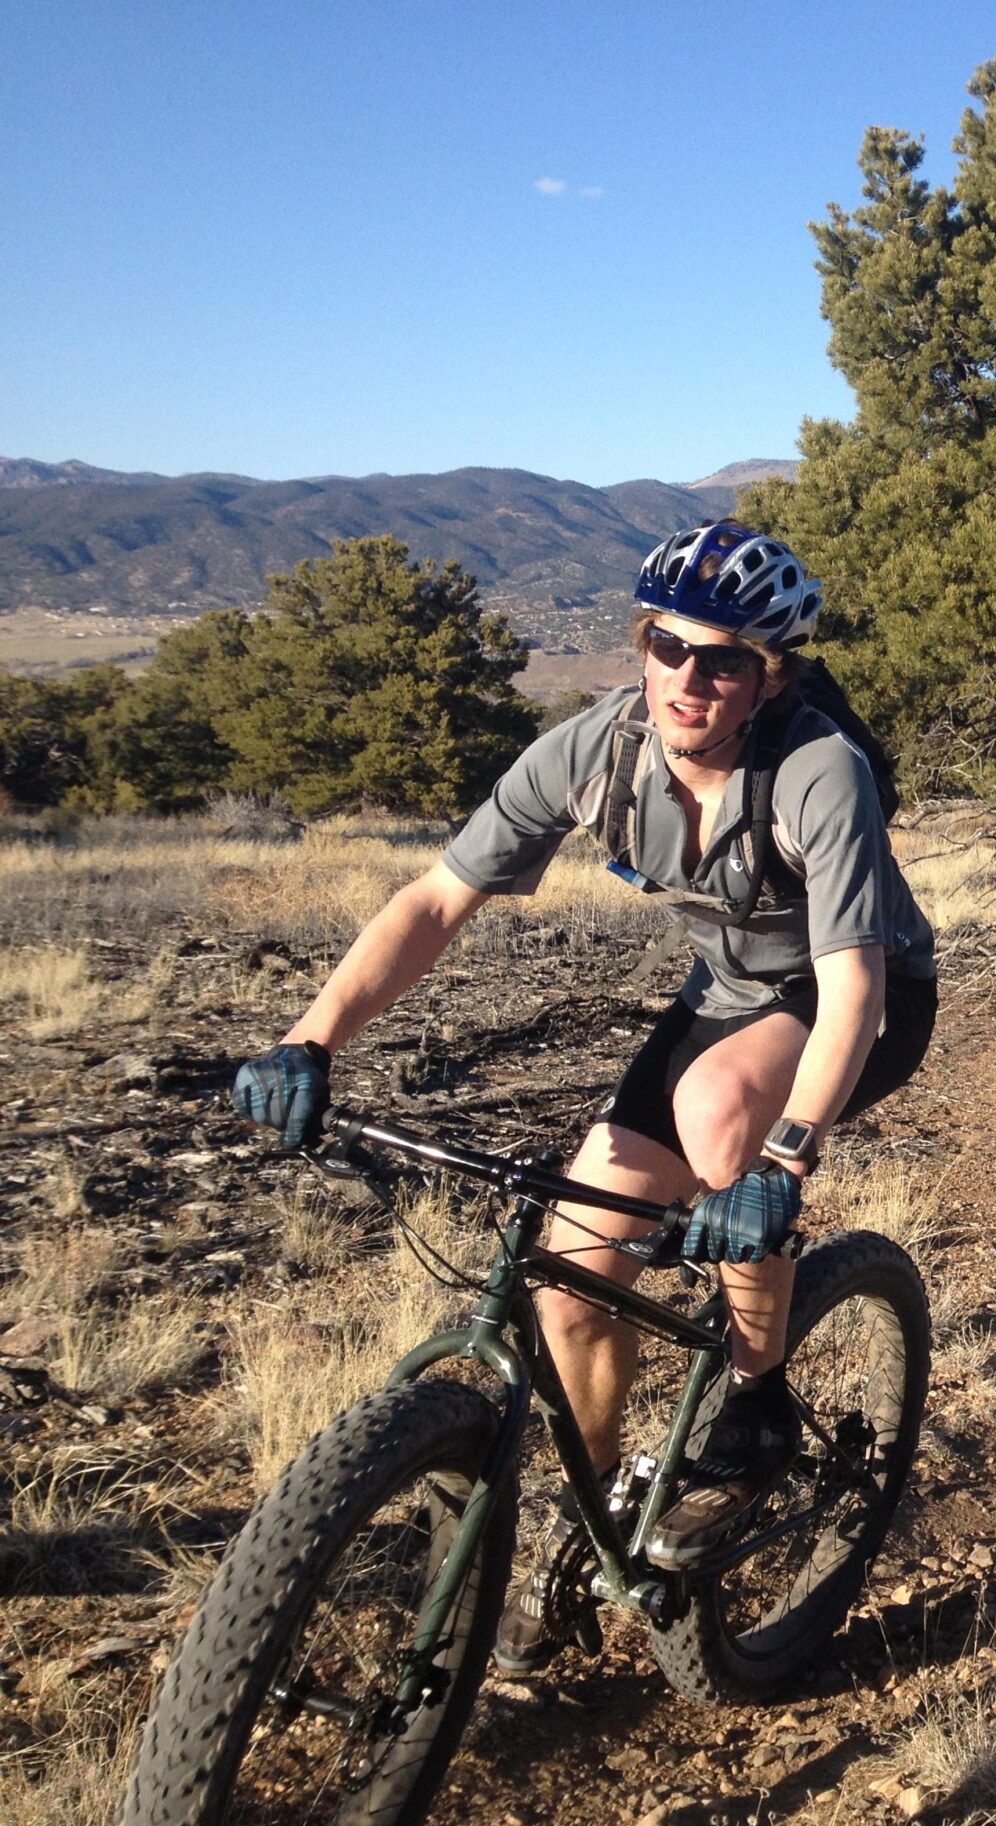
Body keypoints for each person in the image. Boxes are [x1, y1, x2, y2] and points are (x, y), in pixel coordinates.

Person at [232, 520, 937, 1669]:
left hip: (868, 995)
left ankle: (756, 1402)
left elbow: (852, 987)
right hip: (731, 994)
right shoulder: (590, 754)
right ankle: (595, 1519)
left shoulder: (817, 768)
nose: (689, 680)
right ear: (640, 644)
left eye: (724, 661)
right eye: (668, 648)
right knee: (572, 1270)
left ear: (771, 676)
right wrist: (309, 1042)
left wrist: (781, 1164)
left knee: (719, 1116)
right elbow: (431, 902)